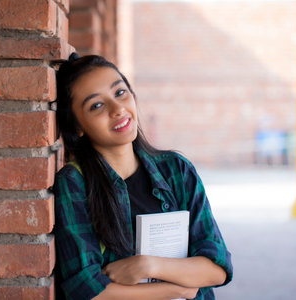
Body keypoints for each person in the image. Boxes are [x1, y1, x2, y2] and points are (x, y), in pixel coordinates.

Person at [53, 53, 233, 300]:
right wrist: (177, 288)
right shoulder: (75, 183)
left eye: (120, 93)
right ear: (77, 126)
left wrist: (148, 266)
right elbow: (86, 290)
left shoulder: (176, 171)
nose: (118, 109)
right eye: (96, 105)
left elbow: (217, 267)